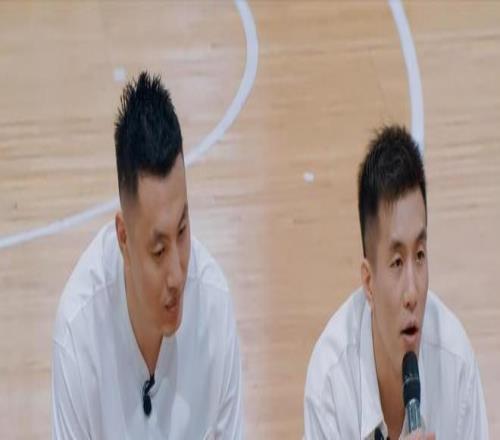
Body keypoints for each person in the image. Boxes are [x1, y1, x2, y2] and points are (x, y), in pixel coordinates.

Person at [52, 71, 244, 439]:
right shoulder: (78, 331)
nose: (177, 275)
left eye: (183, 232)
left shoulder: (215, 306)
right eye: (158, 251)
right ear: (123, 238)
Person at [304, 125, 488, 439]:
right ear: (368, 282)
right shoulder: (330, 383)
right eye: (397, 262)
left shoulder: (456, 364)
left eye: (420, 255)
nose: (412, 292)